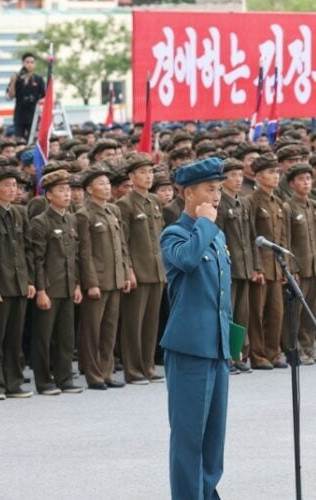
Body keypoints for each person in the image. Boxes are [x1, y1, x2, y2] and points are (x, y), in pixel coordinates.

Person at [158, 157, 231, 500]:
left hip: (216, 347)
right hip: (189, 349)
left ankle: (208, 494)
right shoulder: (176, 234)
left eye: (218, 189)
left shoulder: (214, 235)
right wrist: (204, 225)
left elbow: (220, 296)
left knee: (214, 438)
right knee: (188, 438)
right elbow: (187, 260)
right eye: (208, 189)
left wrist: (230, 341)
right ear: (188, 192)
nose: (216, 196)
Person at [0, 166, 36, 400]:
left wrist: (30, 281)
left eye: (15, 185)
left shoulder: (20, 213)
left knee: (14, 338)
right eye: (8, 185)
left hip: (19, 285)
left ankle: (14, 383)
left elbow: (27, 249)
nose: (13, 189)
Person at [76, 168, 131, 390]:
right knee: (92, 330)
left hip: (115, 276)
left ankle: (106, 371)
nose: (107, 187)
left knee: (109, 328)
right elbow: (85, 253)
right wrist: (90, 283)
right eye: (101, 184)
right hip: (97, 280)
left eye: (108, 183)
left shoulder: (113, 210)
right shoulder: (84, 214)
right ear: (89, 189)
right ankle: (94, 374)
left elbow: (122, 245)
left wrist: (126, 271)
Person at [30, 169, 83, 395]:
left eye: (68, 189)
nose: (67, 194)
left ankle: (64, 378)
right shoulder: (40, 222)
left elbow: (75, 255)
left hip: (68, 286)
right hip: (50, 287)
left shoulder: (71, 219)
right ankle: (43, 380)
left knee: (66, 336)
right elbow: (38, 259)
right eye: (61, 190)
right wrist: (41, 289)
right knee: (43, 337)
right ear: (49, 195)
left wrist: (78, 284)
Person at [117, 153, 167, 385]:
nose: (148, 177)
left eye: (150, 172)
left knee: (151, 322)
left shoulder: (155, 202)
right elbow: (122, 241)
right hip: (138, 270)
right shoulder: (124, 204)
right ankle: (134, 369)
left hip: (156, 269)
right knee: (133, 323)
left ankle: (148, 366)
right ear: (131, 176)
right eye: (143, 173)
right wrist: (128, 269)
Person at [215, 158, 259, 373]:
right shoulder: (219, 203)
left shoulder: (244, 201)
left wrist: (256, 266)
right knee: (228, 313)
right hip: (229, 268)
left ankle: (239, 354)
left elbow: (252, 237)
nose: (238, 179)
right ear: (222, 179)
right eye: (232, 175)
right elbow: (218, 238)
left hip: (245, 266)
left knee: (243, 314)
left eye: (240, 175)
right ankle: (227, 357)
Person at [246, 154, 288, 369]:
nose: (275, 176)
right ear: (259, 177)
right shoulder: (252, 202)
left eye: (277, 172)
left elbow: (281, 238)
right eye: (271, 173)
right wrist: (256, 266)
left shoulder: (278, 202)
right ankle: (258, 355)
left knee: (276, 312)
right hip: (261, 266)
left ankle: (274, 353)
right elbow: (251, 236)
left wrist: (284, 267)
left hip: (275, 265)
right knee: (257, 313)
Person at [282, 163, 316, 364]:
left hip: (315, 266)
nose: (306, 183)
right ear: (292, 184)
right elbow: (286, 241)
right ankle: (295, 349)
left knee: (311, 311)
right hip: (299, 267)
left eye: (308, 178)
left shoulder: (314, 205)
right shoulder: (288, 207)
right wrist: (291, 269)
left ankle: (308, 349)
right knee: (297, 313)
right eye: (301, 179)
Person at [6, 52, 46, 141]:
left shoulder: (38, 79)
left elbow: (44, 96)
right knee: (19, 140)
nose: (29, 65)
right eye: (27, 62)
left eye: (32, 62)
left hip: (33, 114)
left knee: (32, 140)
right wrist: (13, 82)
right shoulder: (17, 78)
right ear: (23, 63)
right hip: (19, 114)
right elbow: (9, 96)